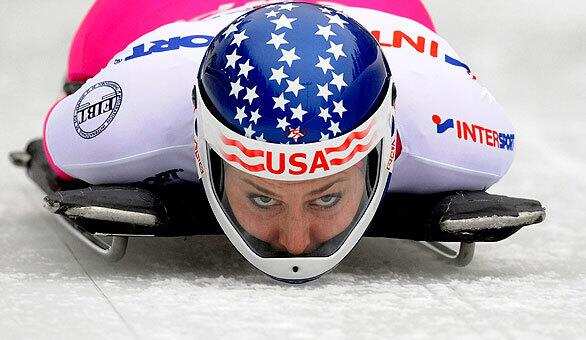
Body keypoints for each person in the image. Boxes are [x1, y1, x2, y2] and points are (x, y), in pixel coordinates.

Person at [42, 1, 515, 281]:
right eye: (263, 198)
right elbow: (58, 143)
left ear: (388, 152)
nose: (294, 245)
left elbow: (57, 150)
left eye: (326, 196)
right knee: (90, 59)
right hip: (168, 17)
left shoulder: (454, 128)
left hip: (380, 20)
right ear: (202, 154)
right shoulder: (128, 119)